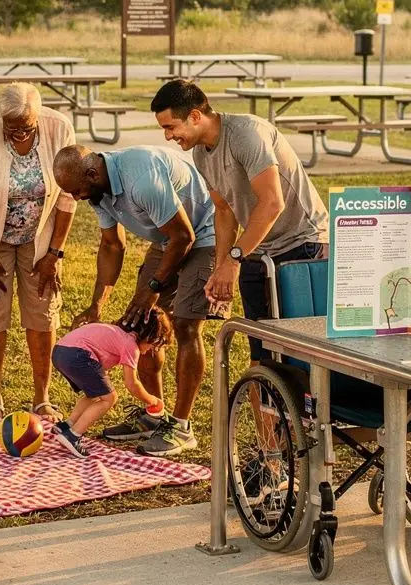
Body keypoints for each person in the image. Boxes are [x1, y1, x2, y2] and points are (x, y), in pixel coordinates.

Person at [150, 79, 328, 364]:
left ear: (195, 116)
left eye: (170, 127)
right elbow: (223, 211)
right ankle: (265, 407)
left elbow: (272, 204)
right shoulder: (200, 153)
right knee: (260, 350)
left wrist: (233, 260)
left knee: (300, 354)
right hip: (259, 247)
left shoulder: (246, 134)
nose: (168, 137)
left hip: (302, 242)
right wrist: (220, 268)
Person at [53, 144, 215, 456]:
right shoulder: (98, 190)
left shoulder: (140, 176)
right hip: (169, 239)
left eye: (76, 191)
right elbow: (112, 246)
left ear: (91, 173)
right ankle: (155, 416)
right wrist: (97, 303)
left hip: (204, 234)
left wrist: (154, 286)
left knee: (183, 325)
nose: (76, 198)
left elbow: (185, 236)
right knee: (142, 324)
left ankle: (181, 428)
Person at [0, 82, 76, 422]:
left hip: (41, 237)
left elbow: (68, 195)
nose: (20, 132)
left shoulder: (59, 127)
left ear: (38, 116)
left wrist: (54, 253)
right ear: (1, 117)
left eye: (27, 126)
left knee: (42, 312)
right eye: (12, 126)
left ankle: (42, 397)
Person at [52, 310, 174, 458]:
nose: (148, 351)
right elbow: (132, 383)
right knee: (110, 398)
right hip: (78, 355)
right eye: (152, 346)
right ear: (148, 336)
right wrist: (152, 401)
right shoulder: (130, 345)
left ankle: (67, 425)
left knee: (95, 394)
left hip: (60, 351)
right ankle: (73, 435)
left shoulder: (116, 332)